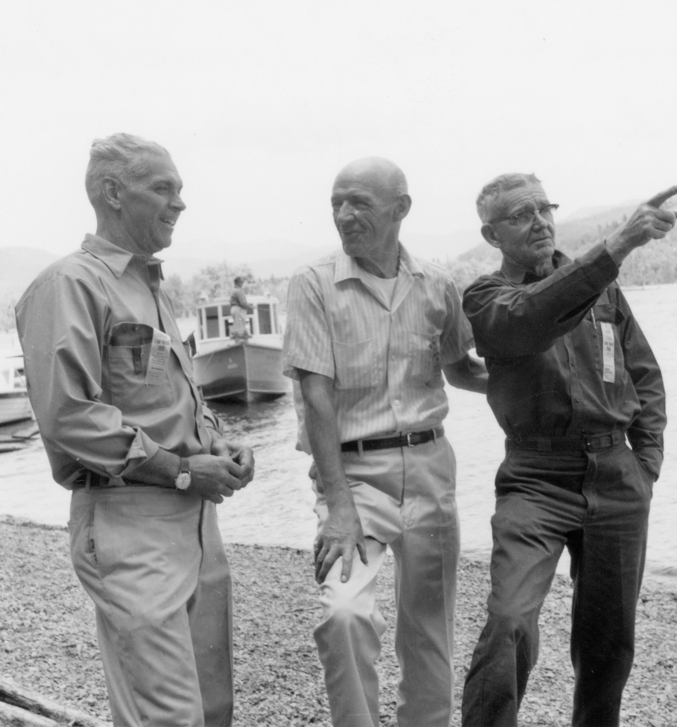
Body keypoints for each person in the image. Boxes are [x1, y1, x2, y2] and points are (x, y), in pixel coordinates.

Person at [15, 133, 255, 727]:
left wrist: (217, 440)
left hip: (196, 519)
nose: (179, 204)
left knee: (211, 708)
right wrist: (178, 468)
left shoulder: (148, 285)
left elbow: (164, 397)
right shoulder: (71, 284)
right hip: (132, 522)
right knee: (168, 717)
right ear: (113, 193)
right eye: (163, 189)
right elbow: (70, 415)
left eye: (180, 190)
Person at [459, 171, 677, 727]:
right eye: (520, 214)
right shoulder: (487, 298)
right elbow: (531, 317)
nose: (539, 220)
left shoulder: (603, 289)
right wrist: (618, 245)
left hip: (616, 475)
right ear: (492, 236)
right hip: (535, 477)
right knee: (508, 620)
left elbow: (644, 374)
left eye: (544, 208)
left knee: (609, 644)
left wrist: (644, 464)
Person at [283, 156, 487, 727]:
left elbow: (460, 370)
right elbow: (316, 400)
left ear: (401, 209)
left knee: (430, 631)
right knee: (344, 614)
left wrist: (532, 383)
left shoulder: (437, 284)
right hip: (352, 475)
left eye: (359, 204)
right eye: (336, 203)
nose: (344, 215)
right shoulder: (313, 284)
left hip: (430, 468)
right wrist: (339, 506)